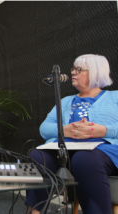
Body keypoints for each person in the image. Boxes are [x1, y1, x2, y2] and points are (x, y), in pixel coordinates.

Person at [26, 54, 118, 214]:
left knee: (84, 159)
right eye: (73, 69)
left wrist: (103, 130)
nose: (73, 73)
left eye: (79, 69)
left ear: (95, 72)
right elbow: (44, 128)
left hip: (104, 150)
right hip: (65, 150)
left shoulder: (115, 97)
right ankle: (34, 212)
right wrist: (63, 130)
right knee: (36, 156)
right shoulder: (65, 101)